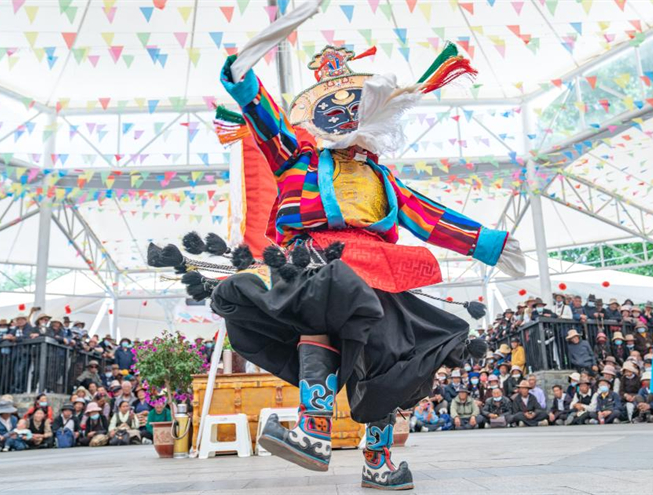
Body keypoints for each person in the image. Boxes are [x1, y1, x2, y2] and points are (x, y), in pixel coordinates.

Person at [154, 6, 527, 490]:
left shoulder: (383, 178)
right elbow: (266, 125)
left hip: (379, 270)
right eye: (333, 109)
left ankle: (377, 461)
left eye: (353, 106)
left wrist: (492, 244)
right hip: (316, 263)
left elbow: (432, 218)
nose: (342, 114)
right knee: (323, 305)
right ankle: (313, 430)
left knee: (394, 358)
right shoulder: (297, 161)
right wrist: (243, 81)